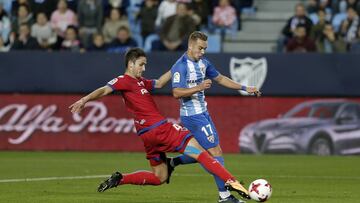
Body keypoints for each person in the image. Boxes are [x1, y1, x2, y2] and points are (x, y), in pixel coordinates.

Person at [69, 47, 250, 201]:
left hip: (148, 137)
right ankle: (231, 183)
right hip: (160, 129)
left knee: (160, 177)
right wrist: (85, 99)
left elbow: (161, 82)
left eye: (145, 64)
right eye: (141, 64)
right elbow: (104, 89)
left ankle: (120, 179)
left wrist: (180, 63)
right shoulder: (123, 80)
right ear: (130, 64)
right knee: (203, 153)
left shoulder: (141, 82)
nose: (144, 68)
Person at [168, 31, 260, 203]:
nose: (202, 52)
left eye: (205, 49)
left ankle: (172, 163)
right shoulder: (180, 66)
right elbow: (176, 92)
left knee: (204, 153)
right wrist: (199, 87)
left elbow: (221, 78)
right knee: (216, 152)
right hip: (193, 116)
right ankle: (224, 196)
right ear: (190, 45)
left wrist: (244, 87)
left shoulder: (203, 63)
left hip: (203, 113)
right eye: (200, 48)